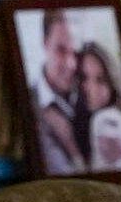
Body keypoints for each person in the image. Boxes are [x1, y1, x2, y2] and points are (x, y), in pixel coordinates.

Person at [30, 10, 88, 175]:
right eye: (61, 50)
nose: (71, 64)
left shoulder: (91, 95)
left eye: (76, 52)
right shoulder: (29, 102)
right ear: (45, 43)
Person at [79, 45, 121, 170]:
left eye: (100, 80)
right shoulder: (83, 121)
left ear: (112, 82)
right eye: (84, 77)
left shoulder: (105, 118)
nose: (91, 89)